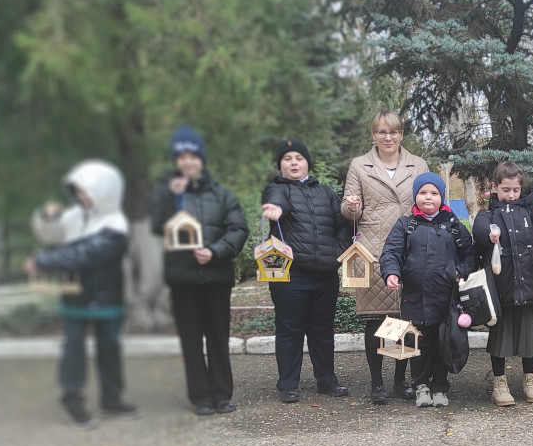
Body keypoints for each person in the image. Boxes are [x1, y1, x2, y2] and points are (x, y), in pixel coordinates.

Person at [28, 159, 139, 430]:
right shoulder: (75, 215)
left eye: (86, 191)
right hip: (75, 295)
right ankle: (72, 398)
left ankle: (112, 399)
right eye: (78, 191)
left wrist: (42, 261)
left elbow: (86, 254)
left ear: (103, 190)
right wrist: (49, 216)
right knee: (74, 350)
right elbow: (53, 235)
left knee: (110, 349)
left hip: (107, 296)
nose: (81, 197)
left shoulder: (116, 223)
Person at [150, 126, 249, 415]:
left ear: (201, 158)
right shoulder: (167, 193)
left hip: (216, 276)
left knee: (218, 337)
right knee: (190, 339)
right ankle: (201, 397)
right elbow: (157, 225)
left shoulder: (221, 195)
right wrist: (170, 197)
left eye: (192, 155)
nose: (188, 161)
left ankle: (222, 394)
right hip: (183, 278)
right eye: (181, 156)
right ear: (176, 161)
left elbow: (238, 229)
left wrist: (215, 252)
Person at [341, 110, 430, 404]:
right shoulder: (359, 166)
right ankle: (376, 383)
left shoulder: (418, 165)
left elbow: (429, 200)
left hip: (410, 248)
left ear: (401, 134)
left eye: (393, 132)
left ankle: (399, 380)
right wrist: (352, 206)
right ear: (373, 135)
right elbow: (348, 208)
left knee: (405, 317)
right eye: (381, 132)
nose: (387, 137)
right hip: (373, 249)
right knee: (375, 319)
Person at [261, 138, 353, 403]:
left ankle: (327, 381)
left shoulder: (325, 192)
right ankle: (288, 385)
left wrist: (339, 253)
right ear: (280, 164)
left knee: (322, 330)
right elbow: (278, 201)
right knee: (290, 329)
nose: (293, 163)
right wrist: (276, 210)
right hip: (292, 275)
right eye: (287, 159)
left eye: (298, 158)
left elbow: (342, 225)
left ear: (307, 162)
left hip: (325, 274)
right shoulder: (277, 189)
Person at [473, 161, 533, 406]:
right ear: (495, 188)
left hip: (529, 284)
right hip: (501, 287)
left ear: (521, 188)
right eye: (506, 190)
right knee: (500, 336)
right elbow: (479, 228)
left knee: (528, 336)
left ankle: (530, 380)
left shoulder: (528, 211)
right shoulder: (489, 214)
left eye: (515, 190)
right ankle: (499, 382)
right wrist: (489, 235)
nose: (511, 195)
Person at [380, 173, 476, 407]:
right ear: (415, 196)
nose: (428, 197)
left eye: (434, 193)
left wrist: (461, 271)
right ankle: (421, 384)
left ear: (441, 196)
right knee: (419, 343)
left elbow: (470, 254)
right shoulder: (406, 224)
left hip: (445, 298)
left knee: (443, 342)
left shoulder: (453, 224)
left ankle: (441, 386)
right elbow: (391, 251)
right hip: (415, 297)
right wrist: (391, 272)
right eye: (423, 193)